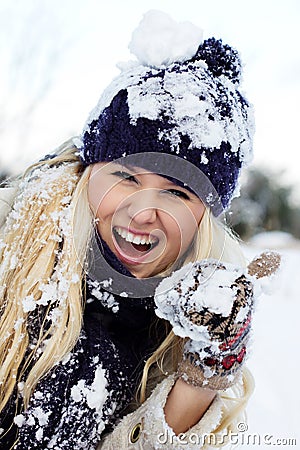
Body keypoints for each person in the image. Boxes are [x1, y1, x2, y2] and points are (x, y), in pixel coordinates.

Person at [0, 10, 280, 450]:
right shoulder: (9, 240)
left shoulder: (202, 304)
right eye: (127, 177)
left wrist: (207, 366)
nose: (142, 213)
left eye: (177, 193)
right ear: (88, 170)